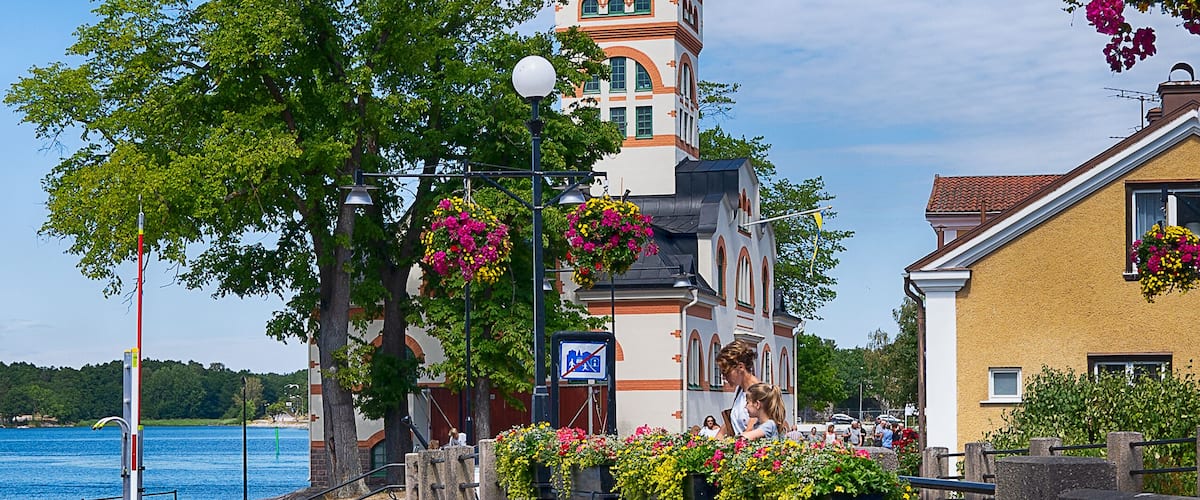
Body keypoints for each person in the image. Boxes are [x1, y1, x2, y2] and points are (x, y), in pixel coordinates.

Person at [715, 340, 762, 437]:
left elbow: (749, 431)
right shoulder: (740, 391)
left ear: (740, 367)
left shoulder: (759, 392)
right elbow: (731, 425)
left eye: (726, 372)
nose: (724, 377)